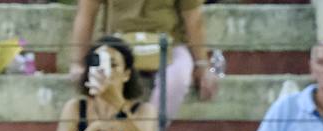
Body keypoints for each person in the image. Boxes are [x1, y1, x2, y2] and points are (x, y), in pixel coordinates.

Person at [67, 0, 219, 120]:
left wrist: (202, 65)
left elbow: (193, 18)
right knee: (107, 73)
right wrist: (78, 63)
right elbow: (86, 13)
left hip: (169, 43)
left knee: (177, 78)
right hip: (119, 41)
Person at [53, 36, 156, 131]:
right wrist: (93, 129)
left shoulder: (145, 110)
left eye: (112, 64)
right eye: (97, 63)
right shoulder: (75, 107)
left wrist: (117, 102)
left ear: (127, 74)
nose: (104, 70)